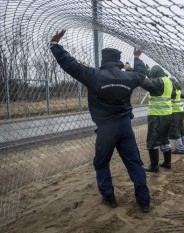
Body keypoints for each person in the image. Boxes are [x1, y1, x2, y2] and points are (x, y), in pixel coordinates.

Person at [49, 30, 150, 212]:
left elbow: (70, 64)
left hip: (106, 130)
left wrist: (55, 46)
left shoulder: (94, 75)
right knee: (134, 163)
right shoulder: (129, 77)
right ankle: (144, 202)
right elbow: (141, 74)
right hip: (125, 127)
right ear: (118, 60)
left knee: (101, 163)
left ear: (103, 60)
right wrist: (136, 57)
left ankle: (109, 197)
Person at [141, 65, 173, 172]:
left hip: (157, 116)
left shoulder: (159, 82)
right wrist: (147, 71)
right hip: (167, 115)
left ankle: (154, 166)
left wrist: (133, 71)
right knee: (164, 140)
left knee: (152, 141)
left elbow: (145, 83)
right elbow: (152, 80)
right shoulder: (167, 81)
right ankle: (167, 163)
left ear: (156, 75)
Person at [169, 78, 184, 154]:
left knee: (175, 130)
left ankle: (180, 149)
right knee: (181, 130)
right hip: (180, 111)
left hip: (175, 112)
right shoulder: (178, 89)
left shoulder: (172, 89)